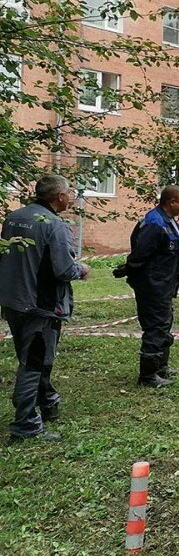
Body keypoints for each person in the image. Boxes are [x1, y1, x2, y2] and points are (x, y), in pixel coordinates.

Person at [0, 175, 90, 442]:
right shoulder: (55, 225)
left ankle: (47, 401)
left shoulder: (13, 218)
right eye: (68, 193)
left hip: (13, 301)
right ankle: (25, 426)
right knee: (33, 363)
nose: (70, 197)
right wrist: (81, 269)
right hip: (40, 306)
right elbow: (63, 269)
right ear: (59, 197)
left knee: (30, 358)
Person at [122, 186, 179, 387]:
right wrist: (131, 270)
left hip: (165, 284)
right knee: (155, 327)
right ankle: (148, 375)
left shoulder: (168, 221)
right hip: (153, 285)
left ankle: (160, 366)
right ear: (172, 202)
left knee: (164, 324)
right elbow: (140, 254)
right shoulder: (155, 222)